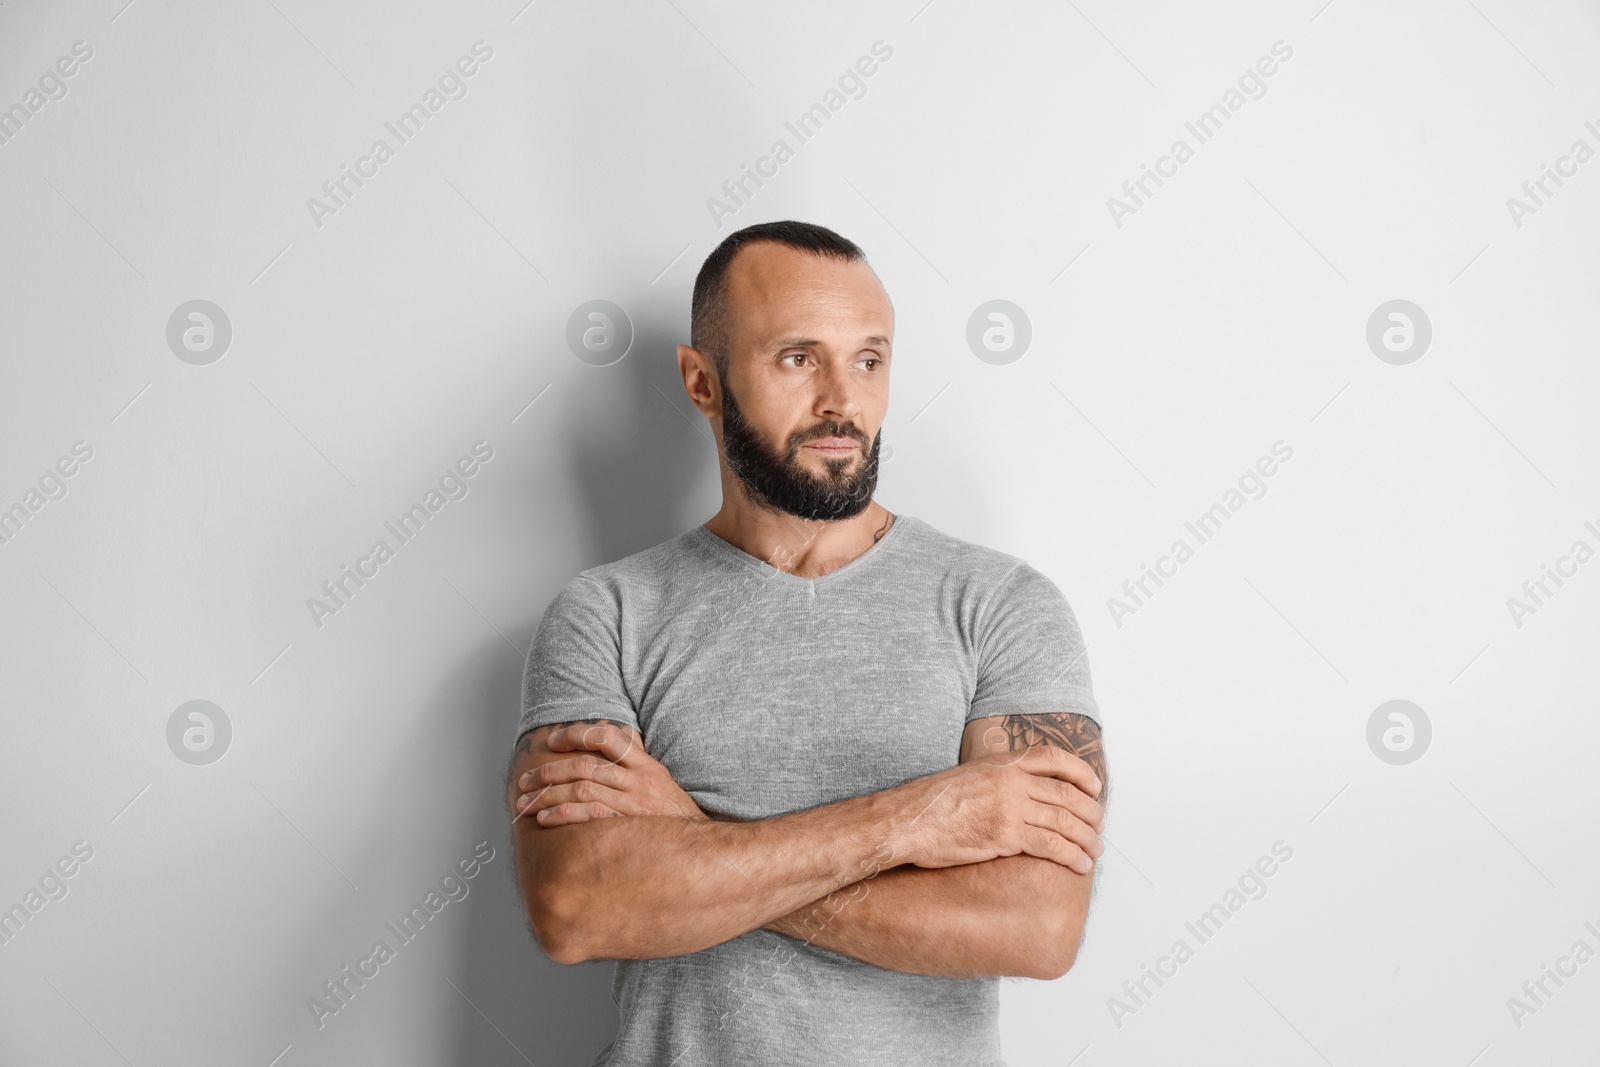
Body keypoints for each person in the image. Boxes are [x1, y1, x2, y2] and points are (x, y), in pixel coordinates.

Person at [505, 220, 1109, 1067]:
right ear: (701, 382)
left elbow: (1037, 926)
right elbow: (576, 907)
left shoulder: (1004, 607)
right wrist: (917, 818)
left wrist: (688, 836)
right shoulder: (605, 614)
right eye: (798, 357)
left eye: (869, 359)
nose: (842, 400)